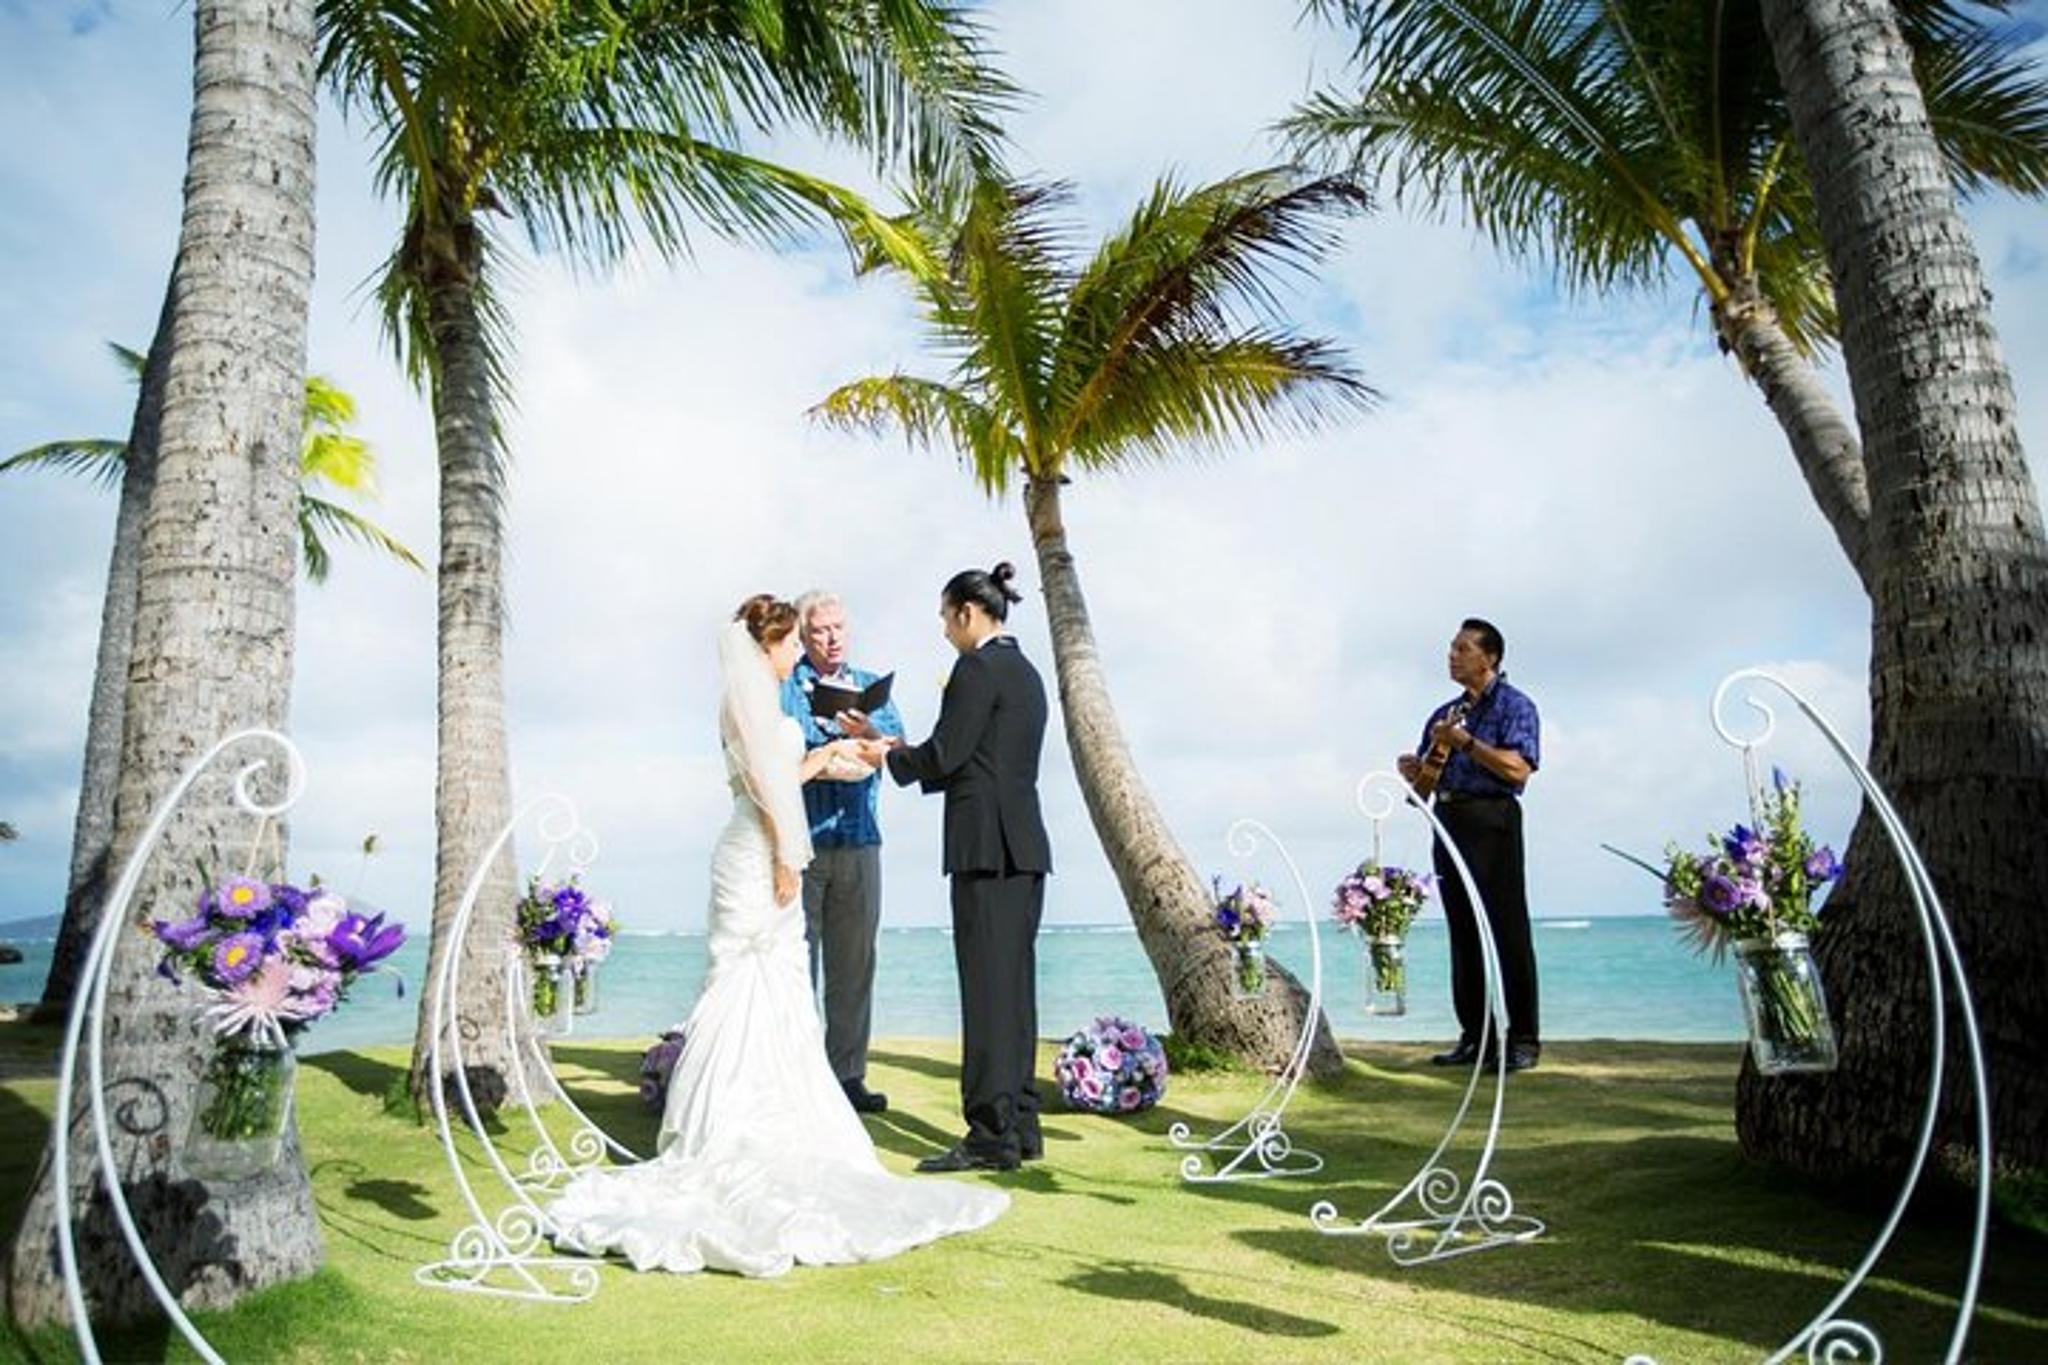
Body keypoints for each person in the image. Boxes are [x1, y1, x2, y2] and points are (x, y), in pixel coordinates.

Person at [544, 595, 1007, 1276]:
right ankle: (731, 1123)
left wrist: (838, 755)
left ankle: (802, 1094)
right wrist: (791, 848)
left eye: (823, 631)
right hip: (767, 848)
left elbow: (786, 774)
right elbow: (767, 788)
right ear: (774, 643)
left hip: (797, 842)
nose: (807, 646)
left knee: (787, 981)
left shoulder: (766, 691)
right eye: (798, 636)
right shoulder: (758, 695)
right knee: (751, 976)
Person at [879, 562, 1052, 1172]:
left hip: (987, 849)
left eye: (946, 618)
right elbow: (980, 759)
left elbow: (948, 753)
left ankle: (989, 1135)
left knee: (986, 994)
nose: (944, 631)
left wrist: (889, 754)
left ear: (967, 613)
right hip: (1024, 850)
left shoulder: (976, 668)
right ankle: (1021, 1125)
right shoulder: (1027, 672)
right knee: (1015, 993)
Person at [1397, 618, 1543, 1073]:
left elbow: (1518, 771)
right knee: (1463, 932)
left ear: (1490, 657)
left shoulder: (1516, 707)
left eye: (1462, 648)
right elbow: (1422, 791)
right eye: (1451, 648)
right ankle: (1475, 1038)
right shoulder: (1444, 715)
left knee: (1507, 930)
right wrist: (1413, 772)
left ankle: (1522, 1040)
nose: (1452, 655)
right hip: (1448, 819)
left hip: (1493, 820)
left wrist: (1467, 743)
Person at [781, 591, 904, 1115]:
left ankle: (848, 1075)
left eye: (838, 629)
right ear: (802, 636)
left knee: (854, 966)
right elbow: (780, 752)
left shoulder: (870, 684)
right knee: (795, 965)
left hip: (859, 841)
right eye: (819, 632)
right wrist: (828, 749)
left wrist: (870, 737)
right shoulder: (787, 686)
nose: (831, 639)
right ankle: (796, 1076)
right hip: (804, 843)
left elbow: (897, 749)